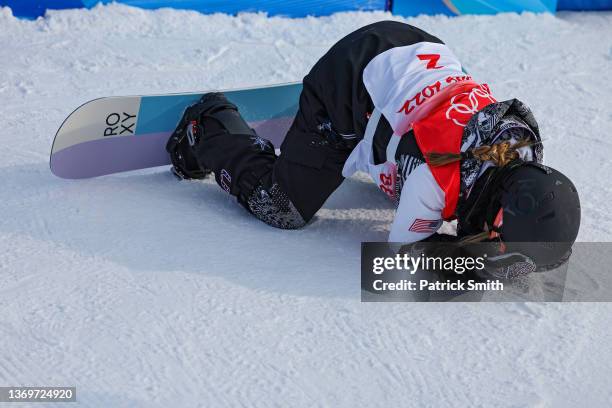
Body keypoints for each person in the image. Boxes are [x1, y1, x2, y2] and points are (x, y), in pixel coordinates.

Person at [166, 21, 580, 275]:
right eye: (505, 246)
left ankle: (374, 116)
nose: (502, 253)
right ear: (501, 214)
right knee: (282, 207)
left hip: (420, 50)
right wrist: (479, 266)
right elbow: (401, 258)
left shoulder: (519, 148)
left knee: (402, 177)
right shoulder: (435, 179)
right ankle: (210, 126)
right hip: (348, 83)